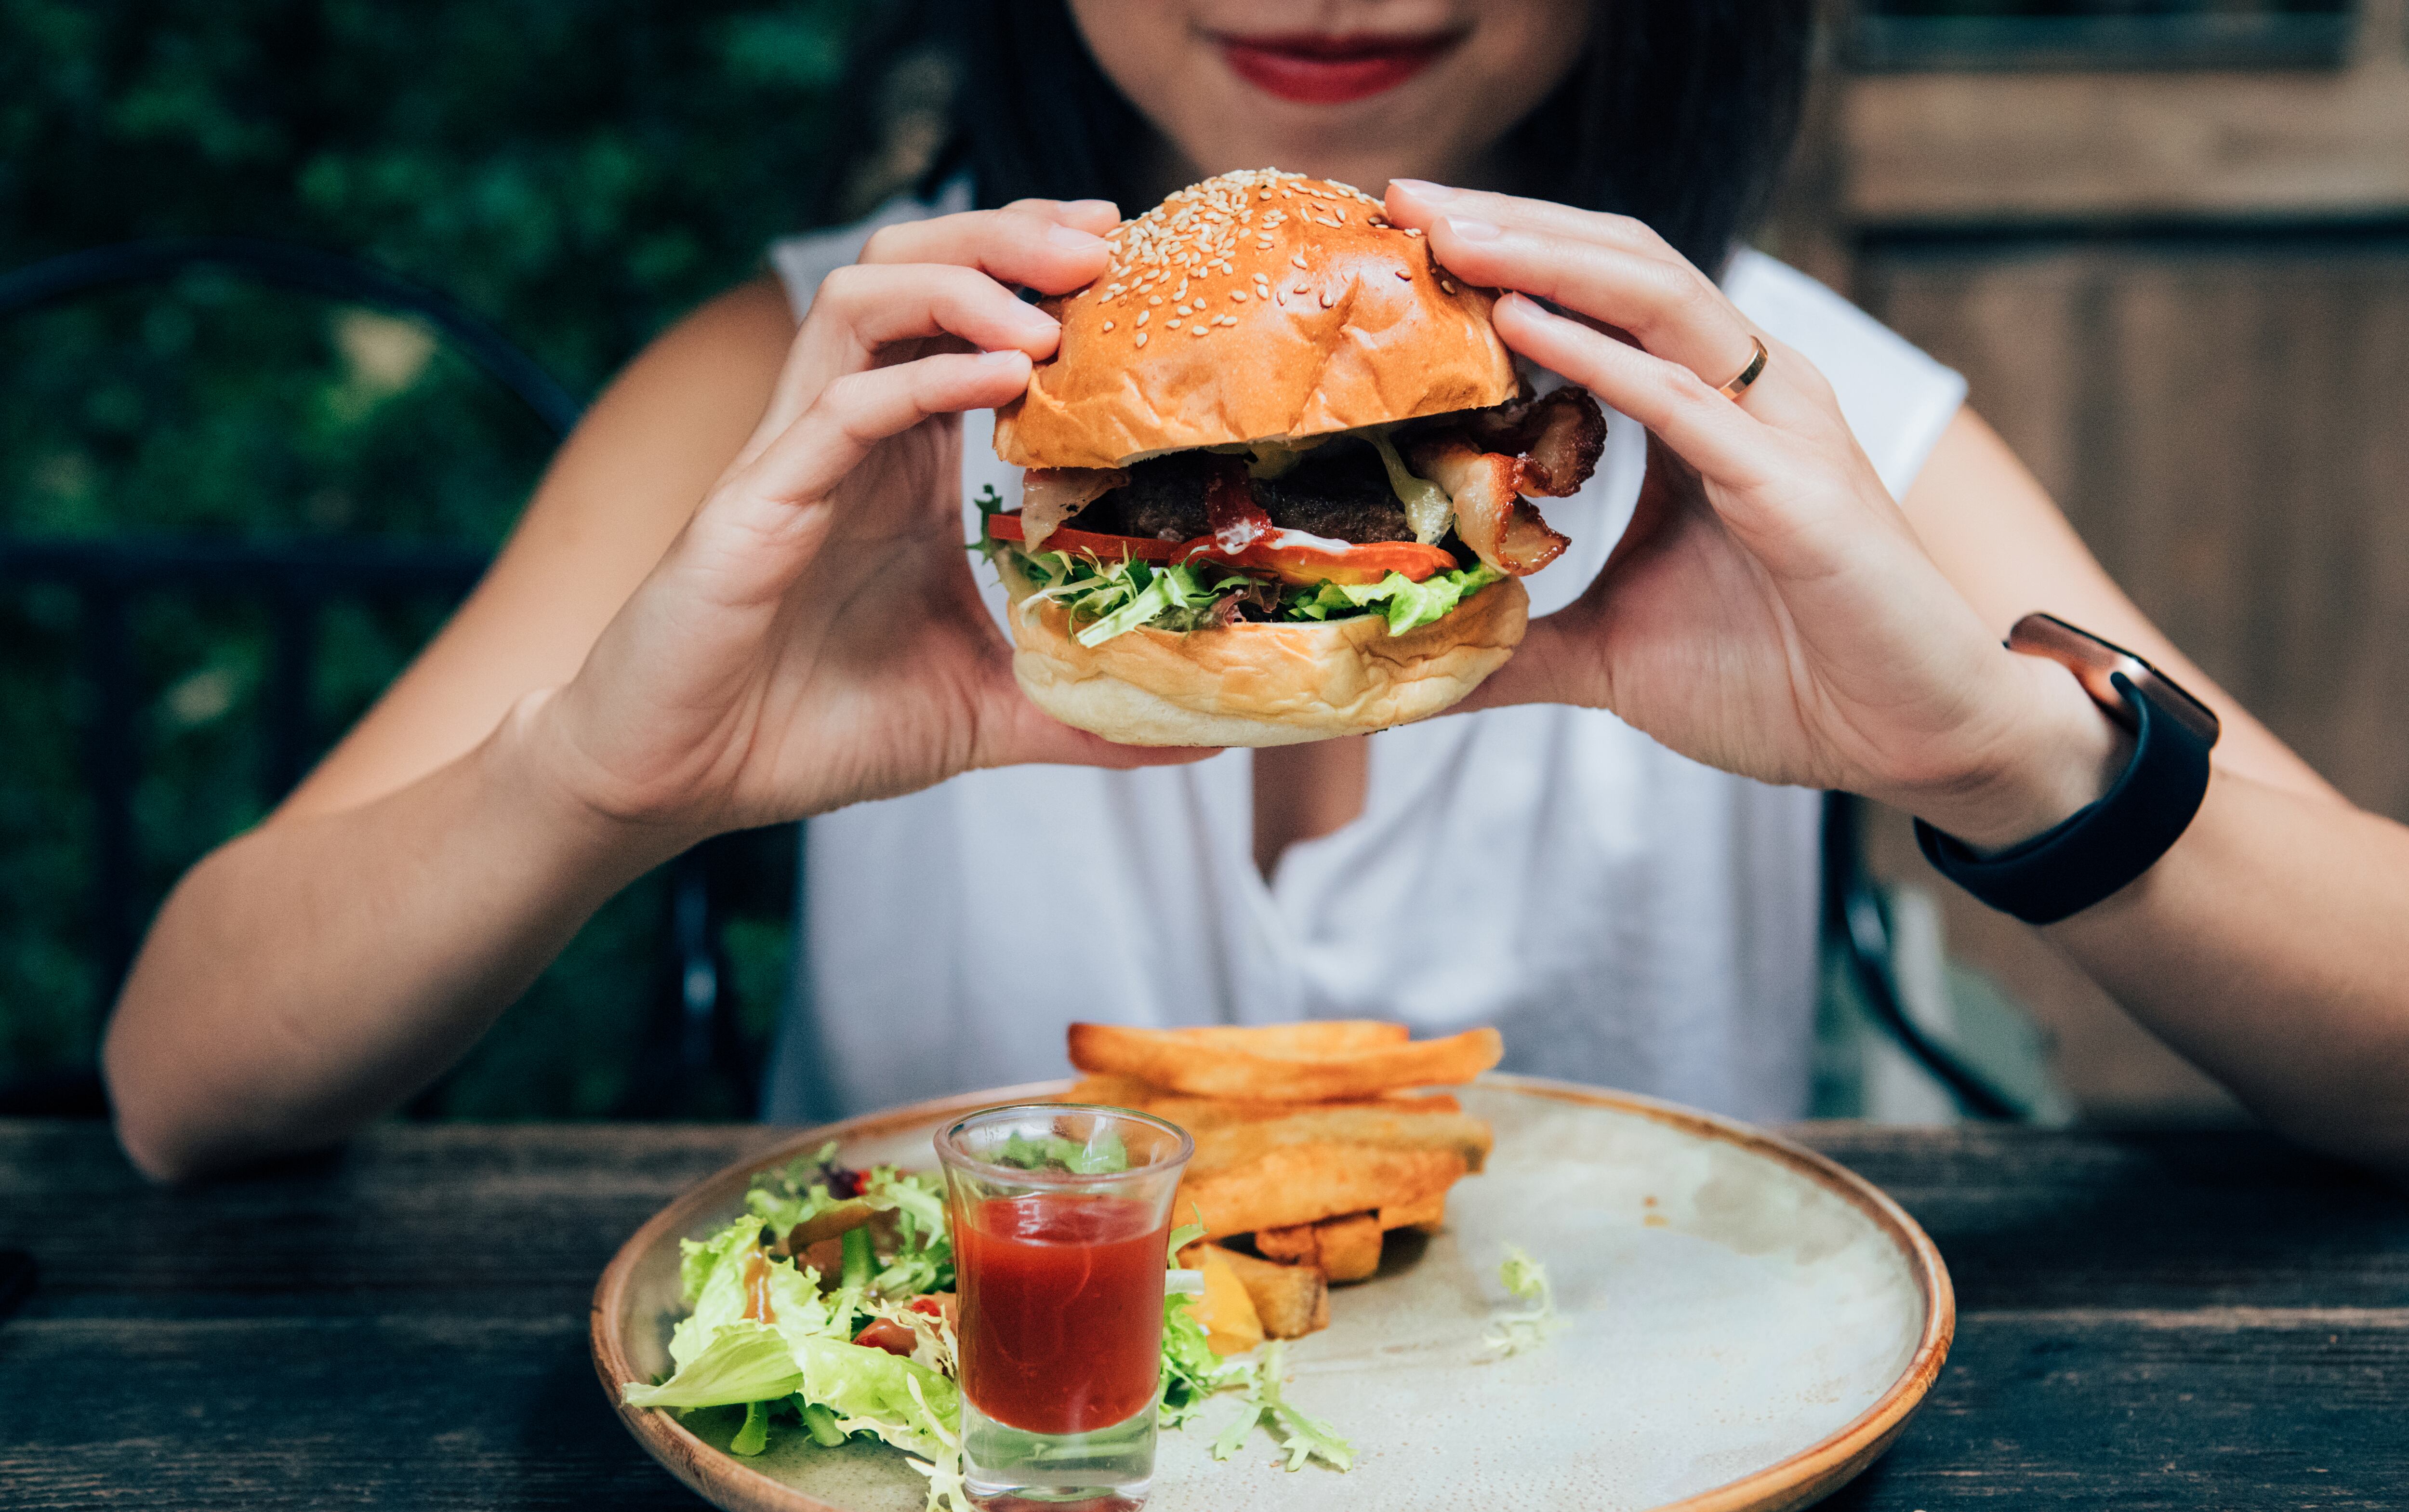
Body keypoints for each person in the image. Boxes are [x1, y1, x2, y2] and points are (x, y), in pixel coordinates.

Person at [104, 1, 2409, 1184]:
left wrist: (1997, 756)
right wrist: (604, 782)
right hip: (961, 1500)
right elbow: (184, 1082)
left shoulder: (1801, 424)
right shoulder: (812, 385)